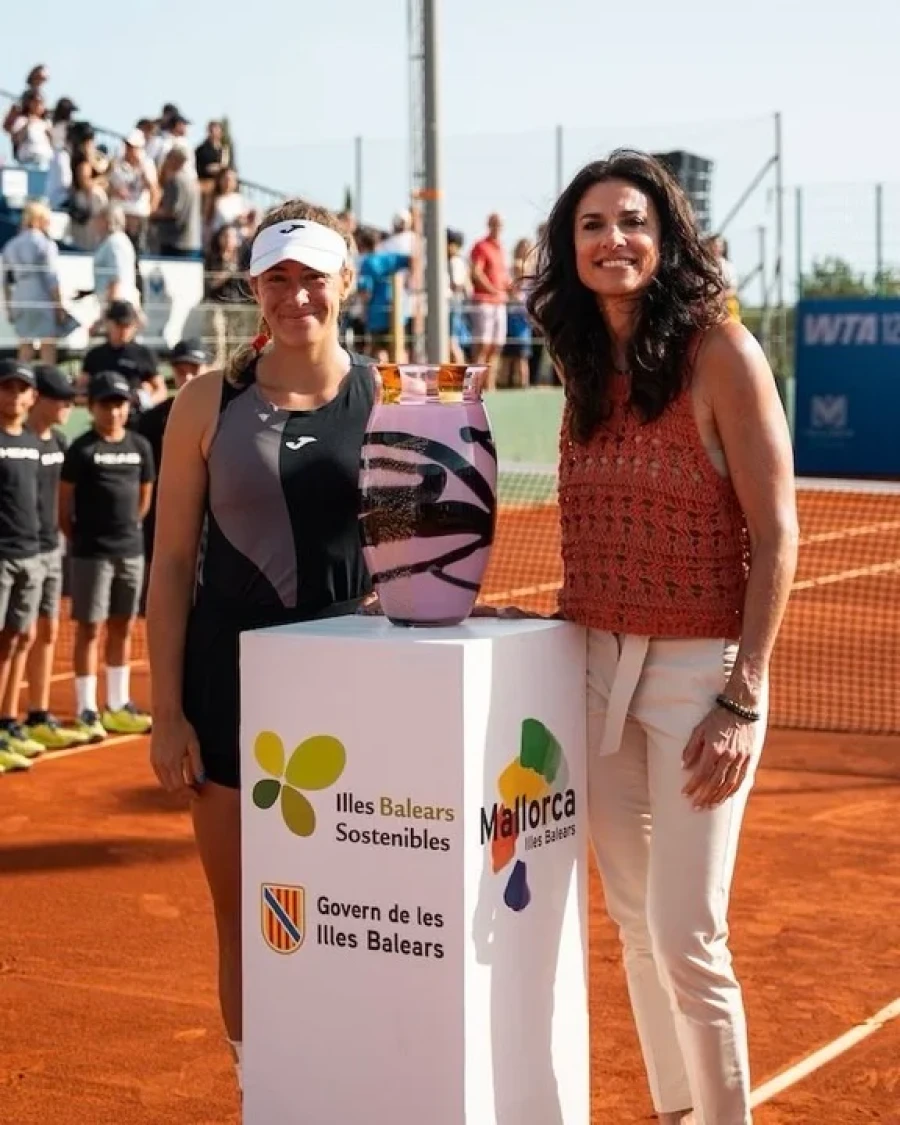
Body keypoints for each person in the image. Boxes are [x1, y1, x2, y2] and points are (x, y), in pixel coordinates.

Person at [526, 150, 799, 1125]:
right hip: (599, 667)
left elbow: (776, 535)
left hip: (702, 679)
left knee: (688, 935)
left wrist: (742, 693)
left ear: (667, 234)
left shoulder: (723, 352)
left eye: (633, 221)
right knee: (634, 926)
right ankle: (677, 1112)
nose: (614, 240)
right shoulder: (581, 362)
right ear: (570, 246)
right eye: (592, 225)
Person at [146, 200, 375, 1091]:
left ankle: (349, 1081)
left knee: (352, 906)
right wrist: (167, 713)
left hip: (356, 695)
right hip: (225, 689)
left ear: (345, 282)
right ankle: (263, 1089)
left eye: (313, 275)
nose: (296, 295)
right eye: (277, 277)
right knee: (247, 914)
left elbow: (425, 545)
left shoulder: (387, 397)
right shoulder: (206, 402)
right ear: (253, 288)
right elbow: (169, 567)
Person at [59, 372, 155, 741]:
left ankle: (118, 703)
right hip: (91, 554)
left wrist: (128, 531)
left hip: (130, 552)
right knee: (89, 629)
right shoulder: (81, 449)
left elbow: (144, 497)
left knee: (124, 625)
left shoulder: (140, 447)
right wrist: (84, 539)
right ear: (92, 407)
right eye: (106, 404)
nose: (114, 411)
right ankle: (86, 707)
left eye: (119, 404)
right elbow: (64, 509)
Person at [11, 367, 86, 749]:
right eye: (61, 398)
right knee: (14, 636)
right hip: (16, 552)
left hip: (48, 550)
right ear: (38, 399)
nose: (68, 406)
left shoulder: (58, 442)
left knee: (45, 633)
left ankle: (37, 714)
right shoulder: (20, 439)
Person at [137, 337, 212, 596]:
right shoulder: (150, 421)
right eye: (181, 370)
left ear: (210, 368)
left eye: (195, 368)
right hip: (163, 530)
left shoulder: (231, 415)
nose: (188, 376)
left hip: (215, 538)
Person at [0, 361, 47, 772]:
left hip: (31, 554)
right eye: (7, 389)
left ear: (32, 398)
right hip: (1, 558)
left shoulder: (34, 442)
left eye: (21, 390)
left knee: (19, 639)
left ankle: (8, 721)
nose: (15, 396)